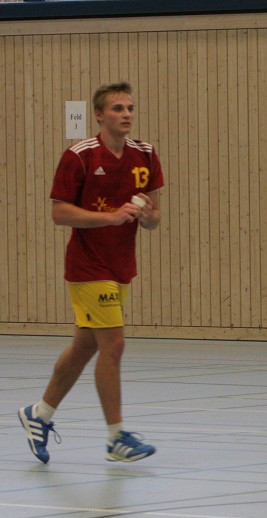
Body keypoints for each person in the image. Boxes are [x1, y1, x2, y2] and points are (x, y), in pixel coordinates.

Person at [18, 82, 163, 464]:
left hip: (120, 266)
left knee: (86, 346)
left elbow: (155, 217)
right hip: (87, 267)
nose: (126, 114)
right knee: (113, 345)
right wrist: (110, 217)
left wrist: (147, 217)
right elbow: (59, 212)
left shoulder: (145, 155)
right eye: (117, 108)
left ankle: (40, 414)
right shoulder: (79, 156)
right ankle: (117, 437)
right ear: (99, 115)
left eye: (130, 107)